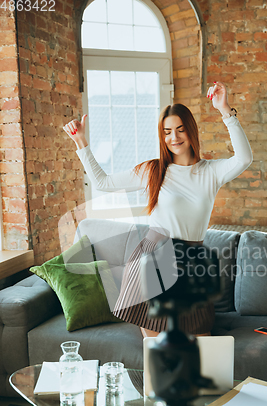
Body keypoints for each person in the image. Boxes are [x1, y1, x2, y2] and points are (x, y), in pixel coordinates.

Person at [63, 81, 253, 338]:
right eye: (167, 132)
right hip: (153, 258)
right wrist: (81, 142)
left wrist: (225, 110)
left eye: (180, 129)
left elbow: (244, 159)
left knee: (201, 344)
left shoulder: (210, 172)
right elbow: (102, 182)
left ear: (191, 131)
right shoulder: (153, 170)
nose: (173, 137)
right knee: (155, 351)